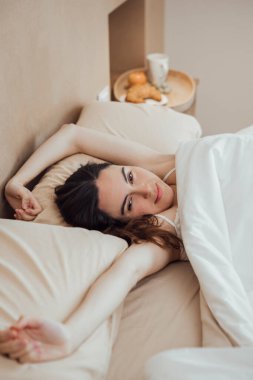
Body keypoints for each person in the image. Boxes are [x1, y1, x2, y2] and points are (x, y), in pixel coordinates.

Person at [1, 123, 186, 363]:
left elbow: (73, 135)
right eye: (129, 204)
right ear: (125, 223)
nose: (147, 190)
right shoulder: (165, 229)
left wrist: (16, 183)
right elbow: (128, 271)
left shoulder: (159, 166)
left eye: (130, 176)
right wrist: (69, 336)